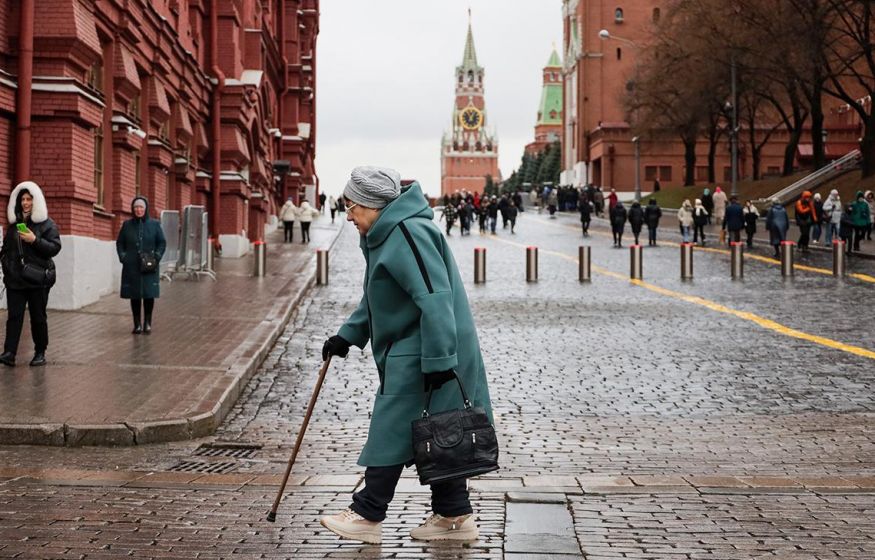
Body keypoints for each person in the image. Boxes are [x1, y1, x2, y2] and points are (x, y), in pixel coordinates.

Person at [320, 166, 493, 545]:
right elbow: (379, 296)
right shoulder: (387, 234)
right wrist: (348, 336)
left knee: (391, 427)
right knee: (442, 430)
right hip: (421, 347)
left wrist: (439, 361)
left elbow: (435, 298)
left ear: (372, 204)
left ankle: (367, 513)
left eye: (351, 206)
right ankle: (454, 516)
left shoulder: (408, 232)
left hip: (430, 349)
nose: (348, 215)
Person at [0, 181, 61, 366]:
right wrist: (7, 268)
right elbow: (7, 250)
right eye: (22, 200)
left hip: (37, 278)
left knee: (38, 317)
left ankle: (40, 352)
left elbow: (55, 248)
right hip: (15, 280)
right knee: (14, 317)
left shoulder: (47, 224)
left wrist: (35, 240)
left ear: (36, 201)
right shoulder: (15, 225)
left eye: (29, 199)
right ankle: (9, 352)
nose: (25, 203)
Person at [116, 196, 166, 335]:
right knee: (135, 295)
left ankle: (147, 323)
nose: (138, 210)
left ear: (146, 209)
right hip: (132, 266)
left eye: (141, 207)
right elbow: (120, 243)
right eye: (136, 207)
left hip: (149, 265)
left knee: (149, 294)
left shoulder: (155, 225)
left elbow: (162, 243)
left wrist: (156, 256)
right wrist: (123, 257)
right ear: (133, 209)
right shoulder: (127, 225)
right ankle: (137, 324)